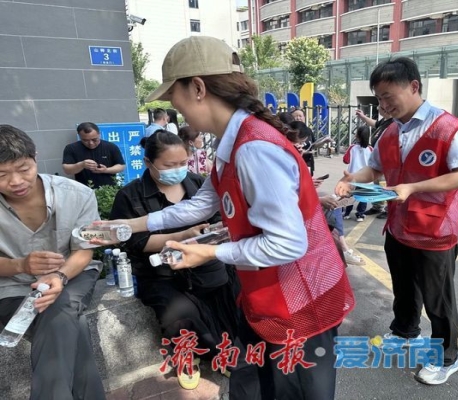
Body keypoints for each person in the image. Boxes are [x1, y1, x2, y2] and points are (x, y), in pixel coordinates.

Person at [107, 36, 354, 400]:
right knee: (253, 385)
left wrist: (209, 252)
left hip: (298, 301)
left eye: (174, 97)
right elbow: (199, 205)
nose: (175, 109)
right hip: (268, 295)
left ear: (198, 88)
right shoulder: (232, 144)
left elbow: (288, 243)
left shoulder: (253, 148)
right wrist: (128, 226)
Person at [335, 57, 458, 385]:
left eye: (388, 96)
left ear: (413, 87)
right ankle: (404, 332)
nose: (383, 105)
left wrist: (413, 187)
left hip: (434, 231)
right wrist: (352, 179)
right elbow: (375, 169)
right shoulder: (390, 131)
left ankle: (447, 357)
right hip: (398, 228)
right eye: (378, 99)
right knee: (403, 288)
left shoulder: (449, 128)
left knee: (439, 300)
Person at [109, 130, 239, 390]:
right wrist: (182, 236)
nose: (178, 170)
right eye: (169, 165)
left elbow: (220, 222)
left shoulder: (199, 184)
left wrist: (208, 236)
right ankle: (186, 355)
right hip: (161, 272)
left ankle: (222, 352)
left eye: (183, 163)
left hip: (204, 262)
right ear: (148, 163)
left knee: (228, 298)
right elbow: (136, 241)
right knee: (178, 313)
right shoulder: (130, 195)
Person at [0, 125, 105, 399]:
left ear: (35, 157)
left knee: (59, 305)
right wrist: (20, 265)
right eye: (1, 175)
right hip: (11, 286)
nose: (15, 181)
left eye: (23, 169)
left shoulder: (77, 194)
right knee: (68, 322)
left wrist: (59, 276)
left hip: (73, 274)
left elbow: (84, 251)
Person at [62, 122, 125, 188]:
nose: (91, 143)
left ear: (99, 134)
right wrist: (81, 165)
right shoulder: (71, 148)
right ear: (79, 136)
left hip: (108, 189)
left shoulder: (110, 147)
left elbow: (121, 166)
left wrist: (106, 170)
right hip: (83, 189)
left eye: (94, 139)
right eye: (85, 140)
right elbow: (67, 170)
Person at [356, 106, 393, 218]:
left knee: (385, 185)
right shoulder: (385, 121)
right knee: (377, 184)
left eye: (380, 106)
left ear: (386, 110)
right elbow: (375, 124)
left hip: (387, 161)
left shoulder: (394, 123)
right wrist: (363, 117)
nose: (377, 108)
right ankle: (377, 206)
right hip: (378, 160)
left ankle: (389, 210)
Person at [342, 126, 373, 222]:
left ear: (357, 136)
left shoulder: (352, 148)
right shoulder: (370, 149)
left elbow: (346, 160)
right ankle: (360, 214)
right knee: (363, 197)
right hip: (366, 177)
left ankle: (347, 213)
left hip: (353, 177)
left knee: (350, 195)